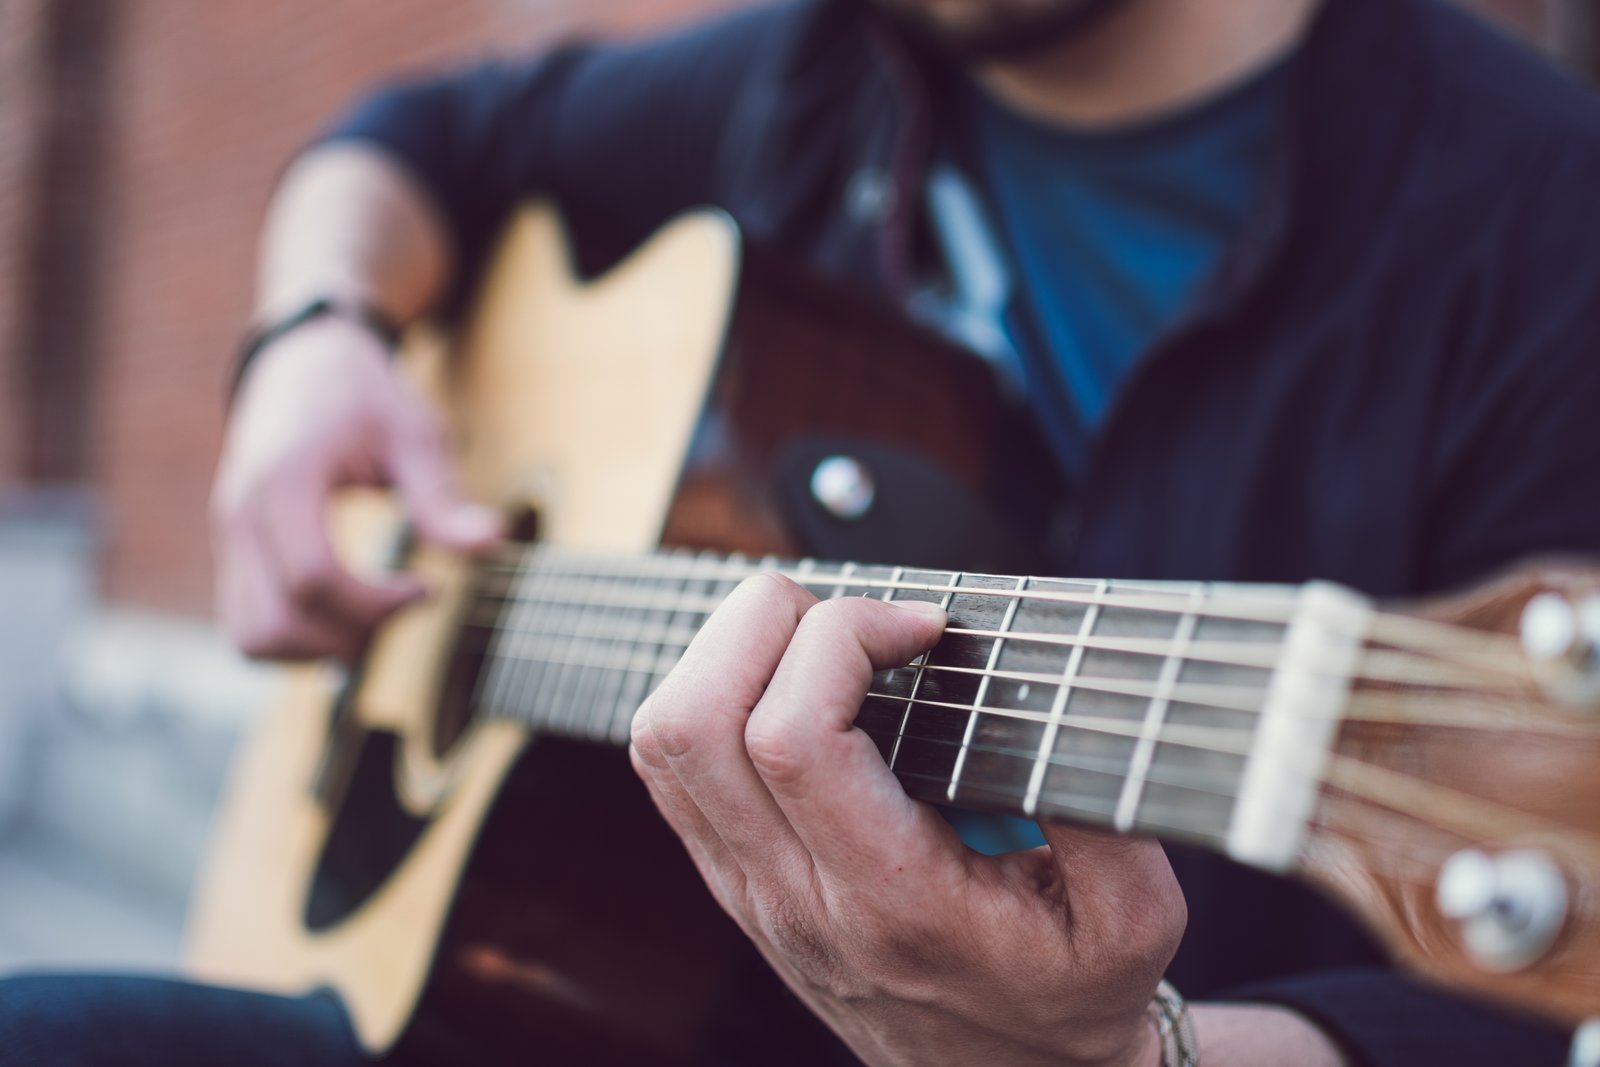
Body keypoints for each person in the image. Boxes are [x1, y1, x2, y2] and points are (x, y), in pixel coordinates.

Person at [3, 0, 1598, 1063]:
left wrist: (1133, 1057)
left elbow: (1495, 1026)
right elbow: (425, 138)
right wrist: (312, 341)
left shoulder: (1539, 222)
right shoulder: (826, 65)